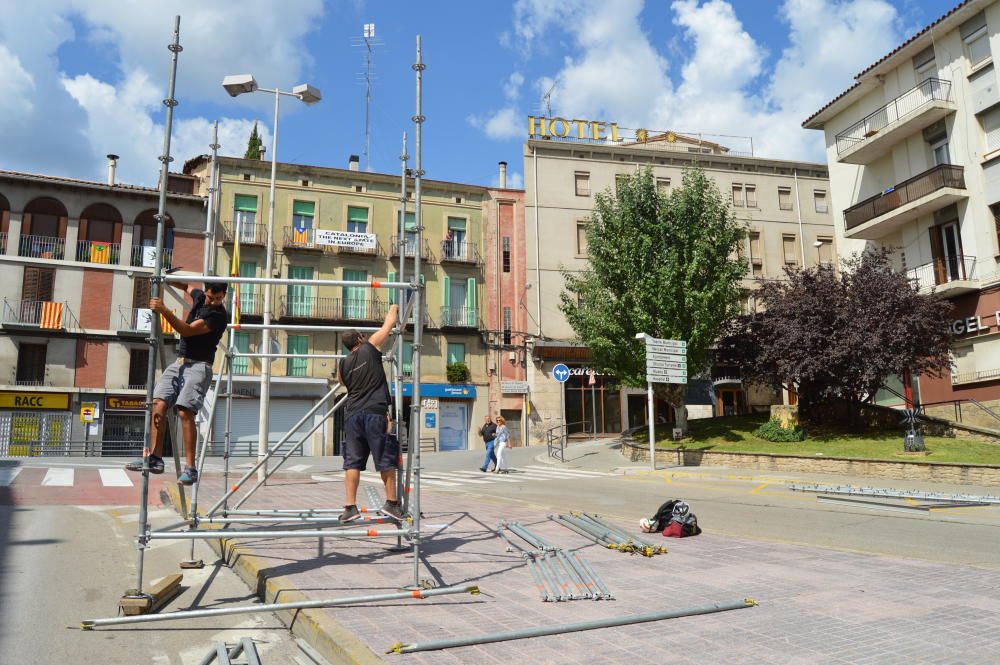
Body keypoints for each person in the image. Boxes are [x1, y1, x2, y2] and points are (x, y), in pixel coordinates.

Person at [126, 281, 229, 485]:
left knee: (184, 411)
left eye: (219, 298)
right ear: (206, 292)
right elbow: (187, 286)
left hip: (200, 366)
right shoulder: (200, 297)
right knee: (158, 404)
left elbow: (187, 330)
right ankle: (155, 458)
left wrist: (164, 309)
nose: (214, 301)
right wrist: (164, 278)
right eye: (211, 297)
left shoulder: (218, 316)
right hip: (179, 362)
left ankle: (190, 469)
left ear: (223, 296)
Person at [337, 303, 405, 522]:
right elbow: (389, 323)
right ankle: (392, 504)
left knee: (352, 462)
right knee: (386, 458)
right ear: (359, 340)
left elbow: (344, 384)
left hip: (353, 415)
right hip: (374, 412)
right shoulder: (370, 346)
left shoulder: (343, 365)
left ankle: (349, 507)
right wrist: (395, 305)